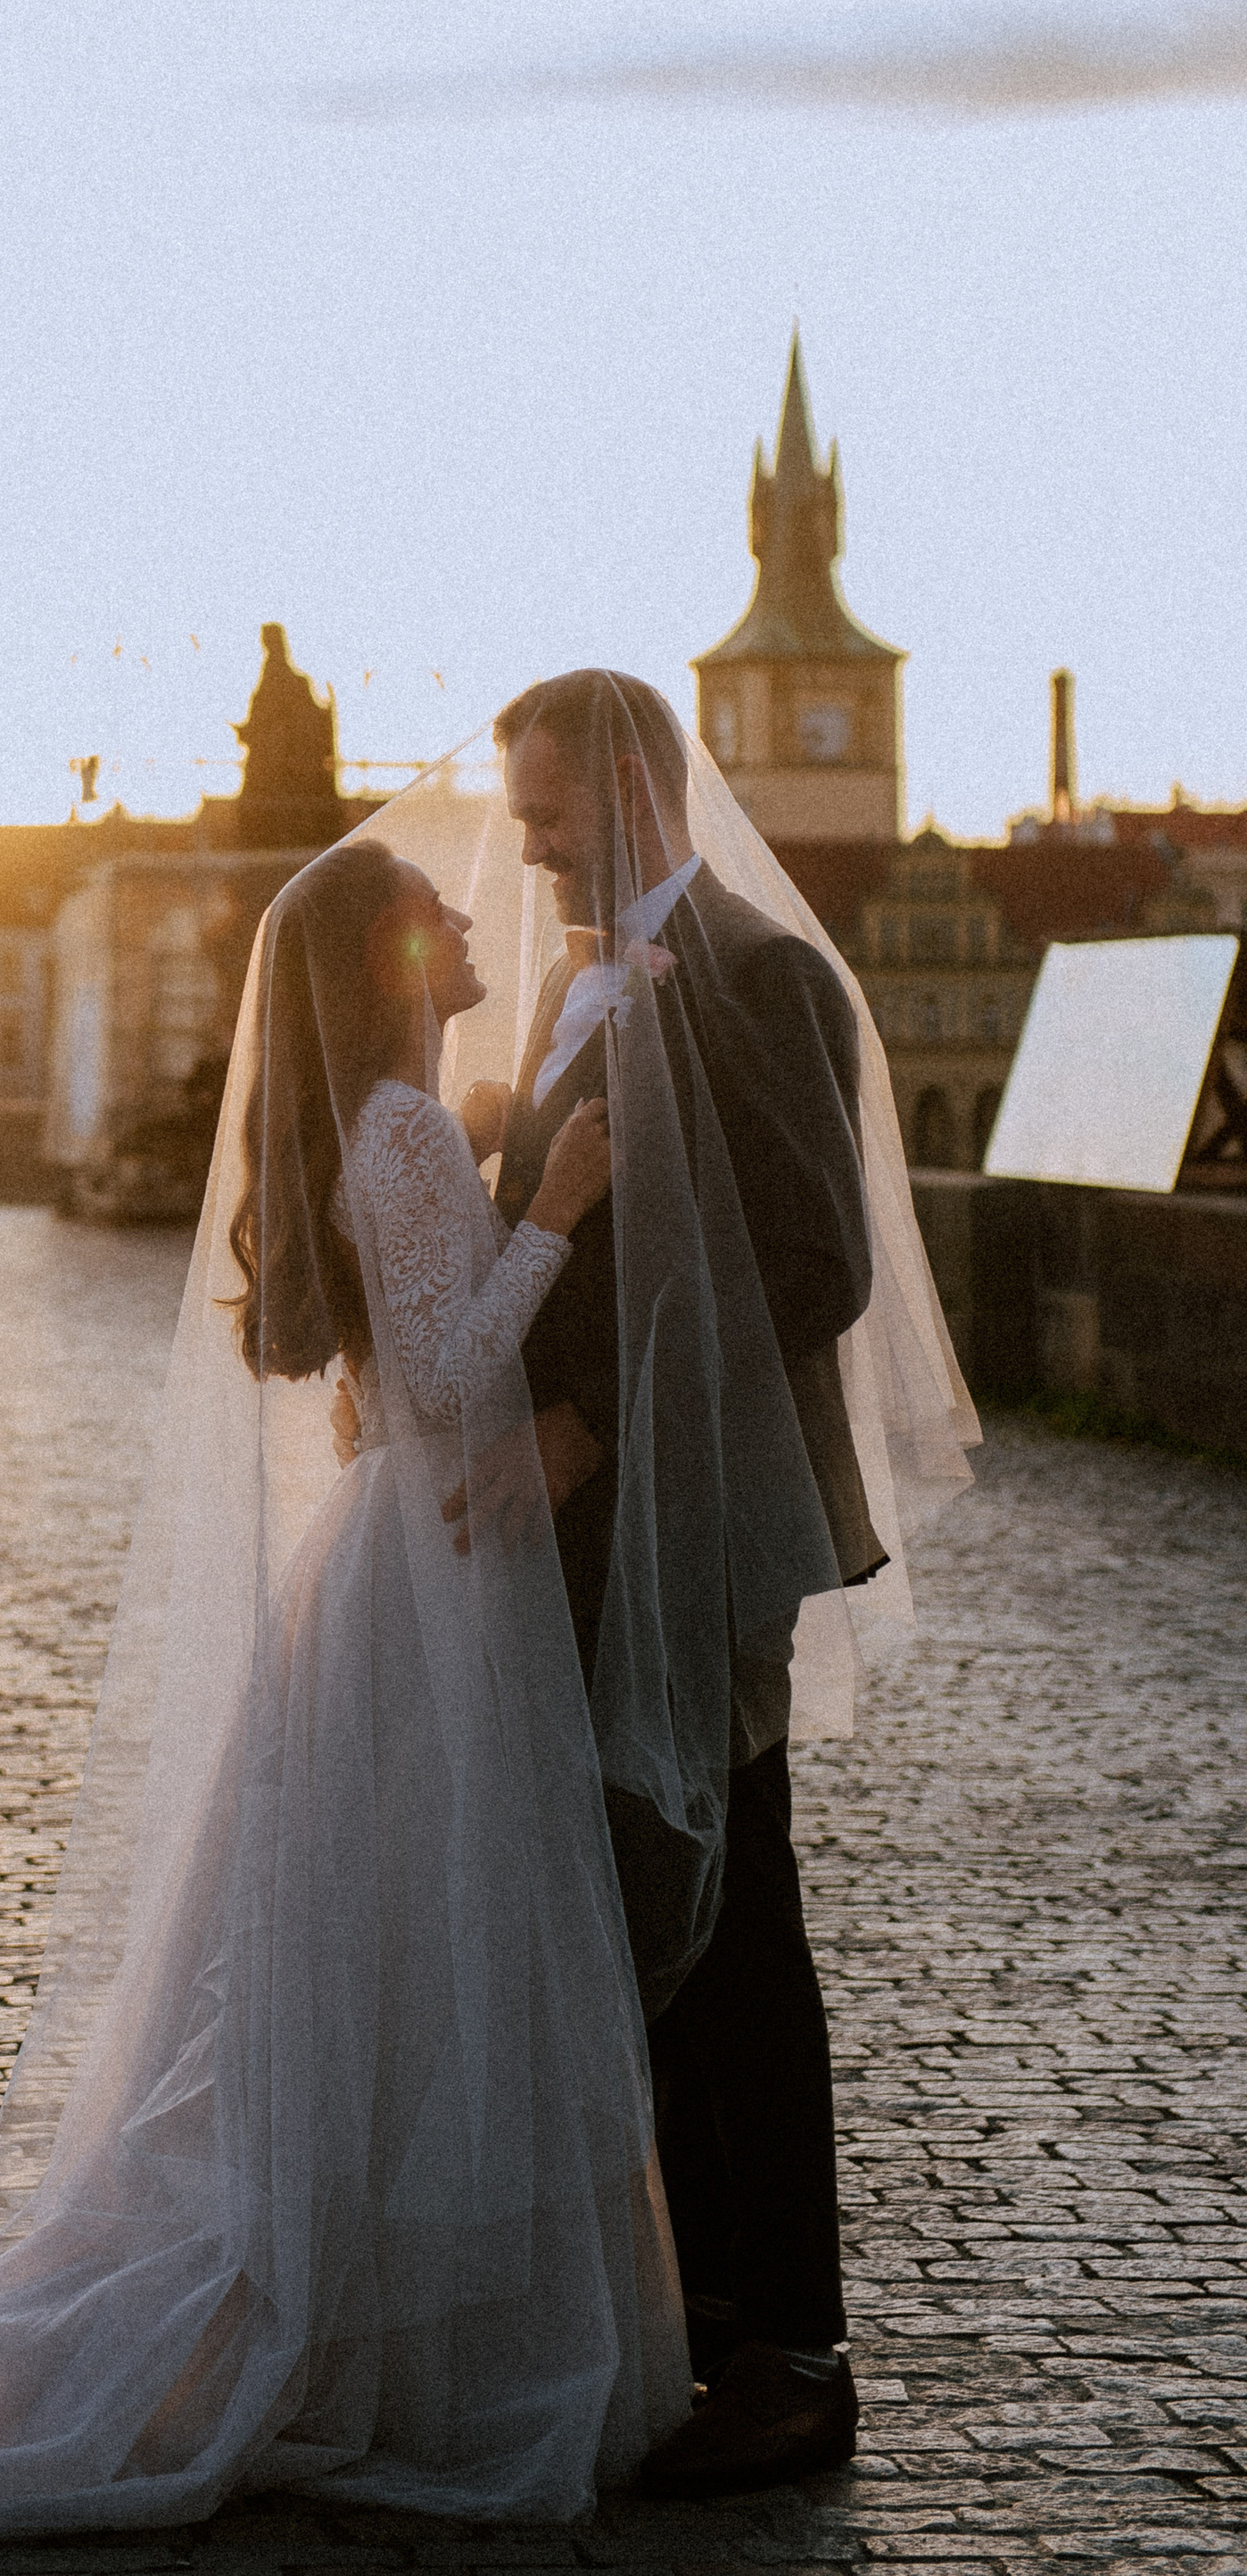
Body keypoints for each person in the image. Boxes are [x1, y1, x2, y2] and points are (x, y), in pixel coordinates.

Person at [0, 832, 687, 2533]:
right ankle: (366, 2330)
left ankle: (381, 2312)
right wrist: (555, 1206)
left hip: (411, 1556)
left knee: (390, 1943)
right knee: (423, 1936)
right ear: (380, 965)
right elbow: (454, 1374)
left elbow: (395, 1358)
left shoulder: (398, 1121)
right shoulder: (394, 1129)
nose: (469, 922)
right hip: (435, 1572)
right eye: (435, 915)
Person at [483, 670, 975, 2496]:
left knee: (732, 1923)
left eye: (543, 812)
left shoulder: (757, 973)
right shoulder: (574, 975)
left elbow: (811, 1258)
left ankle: (789, 2353)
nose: (523, 845)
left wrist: (600, 1425)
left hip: (693, 1535)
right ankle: (693, 2328)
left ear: (625, 784)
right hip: (568, 1536)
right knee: (633, 1927)